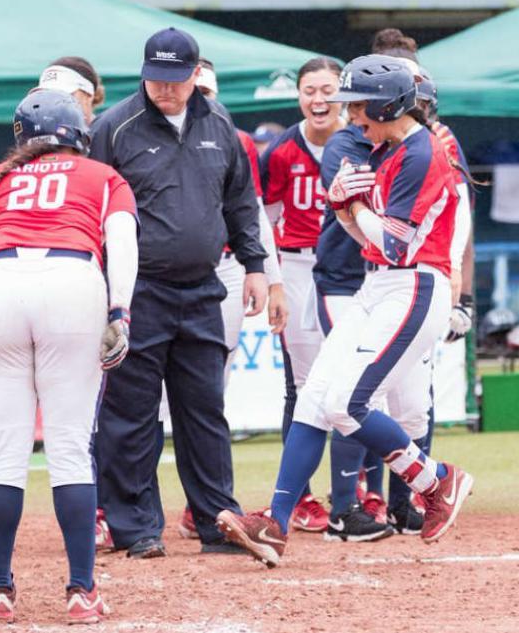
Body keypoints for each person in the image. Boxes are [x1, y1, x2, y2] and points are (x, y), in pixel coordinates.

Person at [217, 55, 473, 567]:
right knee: (315, 398)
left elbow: (398, 246)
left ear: (386, 104)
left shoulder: (421, 151)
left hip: (416, 286)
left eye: (358, 106)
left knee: (348, 404)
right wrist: (344, 212)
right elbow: (368, 244)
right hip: (380, 285)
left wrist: (353, 208)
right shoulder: (393, 149)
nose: (352, 116)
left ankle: (437, 480)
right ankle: (276, 524)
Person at [0, 90, 137, 624]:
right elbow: (122, 240)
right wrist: (121, 310)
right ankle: (80, 591)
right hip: (72, 280)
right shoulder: (100, 176)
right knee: (70, 448)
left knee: (4, 451)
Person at [88, 27, 267, 558]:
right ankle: (136, 527)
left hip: (202, 290)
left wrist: (255, 265)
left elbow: (240, 201)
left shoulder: (221, 123)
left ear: (195, 75)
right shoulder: (114, 127)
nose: (163, 89)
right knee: (131, 413)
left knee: (205, 410)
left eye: (174, 79)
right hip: (137, 290)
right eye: (155, 78)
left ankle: (217, 520)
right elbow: (92, 207)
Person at [261, 56, 385, 540]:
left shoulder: (366, 141)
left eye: (326, 90)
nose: (318, 99)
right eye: (309, 90)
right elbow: (263, 219)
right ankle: (307, 496)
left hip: (353, 265)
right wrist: (272, 281)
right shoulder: (279, 151)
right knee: (304, 382)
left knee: (362, 380)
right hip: (297, 264)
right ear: (298, 95)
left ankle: (364, 490)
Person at [170, 58, 286, 540]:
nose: (203, 99)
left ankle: (202, 505)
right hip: (161, 273)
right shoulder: (143, 132)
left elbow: (251, 213)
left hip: (222, 266)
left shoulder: (233, 140)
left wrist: (269, 277)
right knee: (149, 395)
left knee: (208, 388)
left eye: (209, 91)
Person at [35, 57, 105, 125]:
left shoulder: (108, 133)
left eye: (64, 95)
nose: (53, 104)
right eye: (47, 97)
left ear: (89, 95)